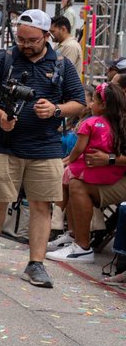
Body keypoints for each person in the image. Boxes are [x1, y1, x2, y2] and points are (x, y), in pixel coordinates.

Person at [0, 10, 85, 288]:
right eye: (21, 38)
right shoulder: (3, 60)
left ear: (47, 36)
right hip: (4, 143)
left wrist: (56, 109)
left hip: (45, 146)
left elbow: (79, 102)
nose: (25, 44)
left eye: (32, 40)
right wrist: (0, 116)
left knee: (42, 205)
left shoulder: (61, 64)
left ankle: (36, 263)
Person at [47, 82, 126, 263]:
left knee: (76, 182)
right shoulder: (113, 120)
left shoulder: (95, 123)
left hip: (115, 174)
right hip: (113, 173)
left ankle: (82, 246)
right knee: (72, 177)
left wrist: (110, 159)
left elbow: (79, 150)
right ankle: (74, 236)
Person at [50, 16, 83, 80]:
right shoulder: (61, 44)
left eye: (53, 31)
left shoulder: (70, 46)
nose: (50, 34)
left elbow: (62, 71)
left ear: (63, 29)